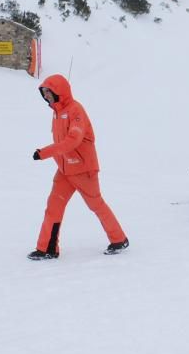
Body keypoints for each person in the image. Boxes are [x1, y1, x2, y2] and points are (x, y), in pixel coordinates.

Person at [28, 74, 129, 260]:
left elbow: (73, 140)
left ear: (59, 92)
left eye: (49, 92)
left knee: (96, 205)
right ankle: (47, 248)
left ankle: (119, 239)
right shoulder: (57, 112)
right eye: (44, 93)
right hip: (65, 171)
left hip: (83, 170)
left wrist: (44, 153)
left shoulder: (75, 111)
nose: (47, 96)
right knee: (53, 207)